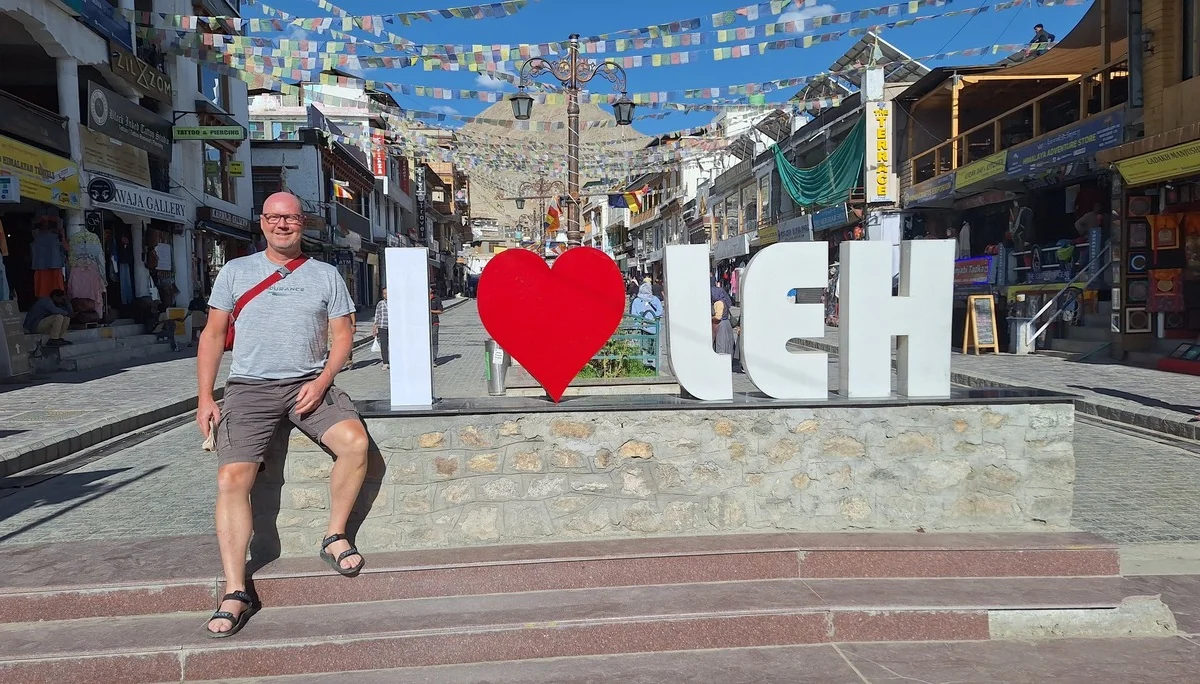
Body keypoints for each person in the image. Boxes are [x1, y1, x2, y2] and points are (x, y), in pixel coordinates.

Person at [196, 191, 369, 639]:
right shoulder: (235, 272)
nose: (282, 225)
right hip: (249, 388)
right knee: (232, 479)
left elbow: (344, 337)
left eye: (290, 218)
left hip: (309, 382)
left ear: (303, 222)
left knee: (354, 442)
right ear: (261, 222)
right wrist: (205, 397)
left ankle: (334, 536)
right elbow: (213, 335)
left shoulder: (326, 275)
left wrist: (323, 379)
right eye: (273, 217)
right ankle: (235, 589)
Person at [711, 278, 735, 356]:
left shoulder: (718, 303)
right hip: (726, 324)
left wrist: (710, 318)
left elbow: (718, 317)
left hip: (721, 325)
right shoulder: (724, 300)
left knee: (721, 344)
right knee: (727, 344)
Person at [373, 288, 389, 369]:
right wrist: (375, 327)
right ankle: (385, 362)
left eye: (387, 293)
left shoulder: (396, 302)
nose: (386, 295)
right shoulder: (380, 303)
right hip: (382, 326)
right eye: (384, 293)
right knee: (384, 345)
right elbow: (377, 315)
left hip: (393, 327)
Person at [430, 286, 443, 364]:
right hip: (424, 323)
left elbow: (441, 311)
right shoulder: (422, 297)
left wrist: (431, 311)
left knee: (434, 339)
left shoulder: (436, 298)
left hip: (434, 322)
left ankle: (434, 358)